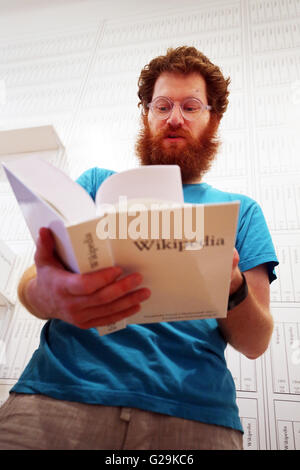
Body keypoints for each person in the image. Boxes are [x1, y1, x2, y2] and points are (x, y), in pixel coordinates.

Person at [0, 46, 278, 450]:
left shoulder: (243, 212)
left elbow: (256, 343)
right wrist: (49, 294)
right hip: (57, 395)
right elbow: (32, 279)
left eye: (191, 106)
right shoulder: (97, 182)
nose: (175, 118)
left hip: (194, 414)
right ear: (145, 114)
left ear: (213, 118)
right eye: (162, 105)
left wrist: (232, 284)